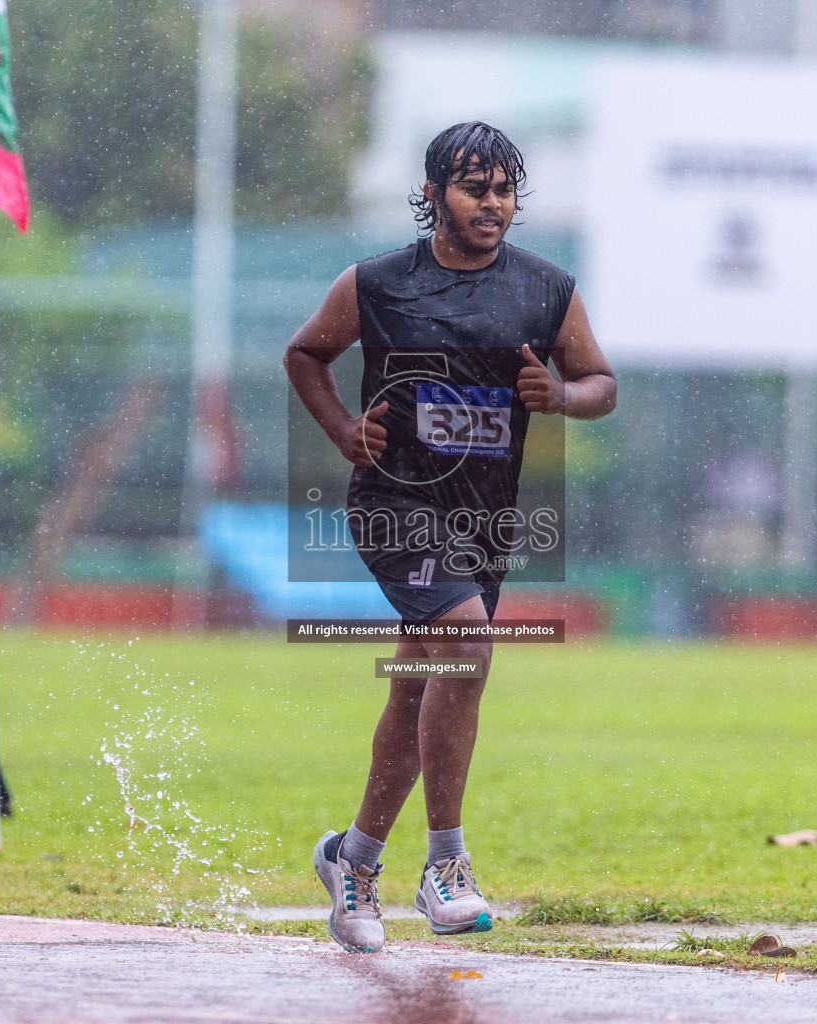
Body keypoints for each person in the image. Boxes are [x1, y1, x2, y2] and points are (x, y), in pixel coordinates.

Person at [283, 121, 617, 953]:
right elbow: (305, 355)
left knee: (418, 682)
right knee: (466, 645)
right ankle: (446, 865)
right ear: (433, 194)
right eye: (475, 188)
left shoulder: (546, 291)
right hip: (393, 503)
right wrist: (341, 430)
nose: (493, 204)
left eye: (505, 190)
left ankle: (352, 860)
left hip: (483, 518)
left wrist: (562, 397)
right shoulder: (377, 283)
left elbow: (601, 383)